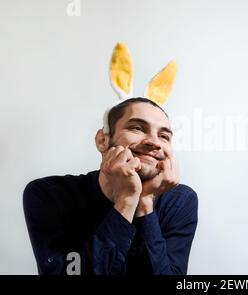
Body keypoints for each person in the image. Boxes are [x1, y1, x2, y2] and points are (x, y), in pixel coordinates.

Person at [23, 43, 198, 275]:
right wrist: (126, 201)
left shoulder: (180, 201)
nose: (154, 142)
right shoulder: (48, 195)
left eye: (164, 135)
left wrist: (145, 202)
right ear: (102, 141)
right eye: (137, 128)